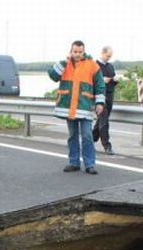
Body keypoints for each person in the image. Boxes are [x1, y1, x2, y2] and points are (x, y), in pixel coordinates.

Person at [48, 40, 105, 175]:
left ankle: (89, 164)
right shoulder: (65, 64)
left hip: (85, 107)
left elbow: (100, 85)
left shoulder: (92, 65)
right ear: (71, 51)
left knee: (87, 136)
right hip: (69, 107)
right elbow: (53, 76)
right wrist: (63, 62)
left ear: (83, 51)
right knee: (72, 135)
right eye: (75, 52)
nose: (77, 54)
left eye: (80, 52)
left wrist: (100, 103)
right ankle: (74, 162)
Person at [92, 46, 118, 155]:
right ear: (102, 53)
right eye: (107, 56)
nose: (108, 58)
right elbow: (91, 80)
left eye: (110, 56)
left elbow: (112, 78)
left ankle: (90, 139)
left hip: (110, 96)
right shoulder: (95, 65)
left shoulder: (110, 66)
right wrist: (102, 80)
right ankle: (107, 146)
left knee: (102, 120)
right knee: (104, 121)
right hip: (99, 97)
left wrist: (115, 80)